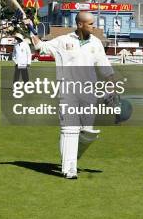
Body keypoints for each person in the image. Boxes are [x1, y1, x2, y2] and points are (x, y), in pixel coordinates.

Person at [24, 11, 114, 180]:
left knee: (88, 132)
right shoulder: (63, 41)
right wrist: (30, 28)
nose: (94, 27)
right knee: (69, 129)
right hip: (68, 91)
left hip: (89, 92)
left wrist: (111, 87)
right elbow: (39, 46)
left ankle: (72, 156)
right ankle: (69, 168)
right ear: (80, 24)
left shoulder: (96, 43)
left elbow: (105, 67)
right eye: (90, 24)